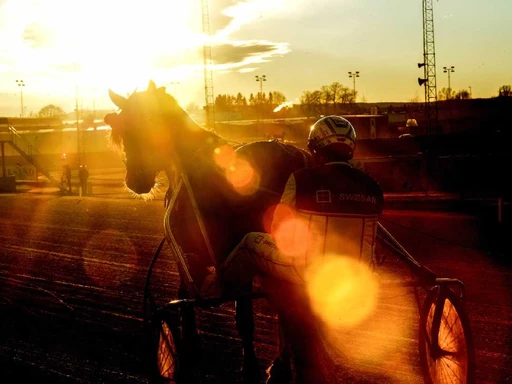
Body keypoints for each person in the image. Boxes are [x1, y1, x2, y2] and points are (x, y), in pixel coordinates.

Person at [208, 115, 384, 383]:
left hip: (305, 270)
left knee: (249, 241)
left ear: (314, 148)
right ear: (351, 147)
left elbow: (280, 227)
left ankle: (217, 284)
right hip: (359, 271)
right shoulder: (372, 186)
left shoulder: (301, 178)